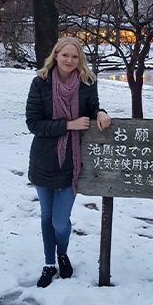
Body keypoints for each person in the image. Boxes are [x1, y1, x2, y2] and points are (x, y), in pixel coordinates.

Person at [26, 37, 111, 288]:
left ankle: (62, 252)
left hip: (71, 161)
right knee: (46, 216)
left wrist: (100, 113)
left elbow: (93, 107)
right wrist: (68, 125)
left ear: (80, 59)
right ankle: (49, 262)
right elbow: (33, 123)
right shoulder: (40, 83)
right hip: (43, 159)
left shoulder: (87, 82)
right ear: (56, 54)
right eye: (65, 55)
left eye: (75, 57)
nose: (69, 61)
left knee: (60, 222)